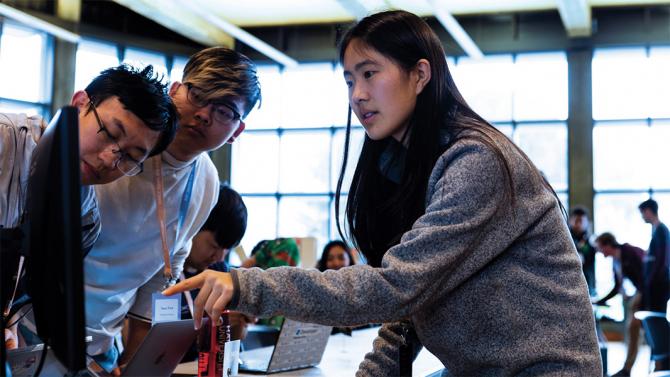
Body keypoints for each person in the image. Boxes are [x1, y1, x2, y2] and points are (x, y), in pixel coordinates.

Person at [166, 10, 601, 376]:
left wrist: (246, 285)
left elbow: (393, 287)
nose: (357, 95)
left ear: (419, 75)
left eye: (370, 74)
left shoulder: (476, 162)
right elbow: (408, 307)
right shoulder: (409, 166)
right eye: (349, 80)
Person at [83, 47, 261, 372]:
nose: (205, 114)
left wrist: (135, 364)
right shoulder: (116, 145)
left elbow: (160, 277)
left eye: (224, 111)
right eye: (198, 94)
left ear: (237, 131)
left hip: (101, 347)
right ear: (175, 90)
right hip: (29, 329)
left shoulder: (206, 181)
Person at [1, 64, 177, 349]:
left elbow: (19, 297)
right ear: (80, 103)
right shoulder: (4, 141)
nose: (110, 159)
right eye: (108, 132)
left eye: (130, 157)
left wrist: (10, 329)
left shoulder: (85, 221)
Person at [175, 184, 253, 360]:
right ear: (194, 225)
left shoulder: (220, 272)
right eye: (214, 246)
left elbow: (232, 344)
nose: (218, 256)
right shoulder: (161, 274)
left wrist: (236, 322)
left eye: (226, 250)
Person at [594, 232, 646, 376]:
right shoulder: (616, 261)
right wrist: (599, 301)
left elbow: (645, 275)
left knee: (634, 326)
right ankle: (627, 369)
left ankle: (627, 369)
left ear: (607, 245)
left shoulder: (628, 251)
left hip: (650, 290)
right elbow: (617, 287)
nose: (599, 251)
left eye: (600, 248)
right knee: (632, 328)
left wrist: (641, 302)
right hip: (640, 292)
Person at [638, 199, 670, 313]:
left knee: (657, 319)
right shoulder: (656, 230)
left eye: (642, 213)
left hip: (659, 285)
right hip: (655, 284)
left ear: (648, 211)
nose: (642, 216)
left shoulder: (661, 230)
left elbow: (663, 261)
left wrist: (652, 280)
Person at [569, 206, 597, 296]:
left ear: (587, 223)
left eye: (581, 221)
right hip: (568, 284)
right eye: (576, 221)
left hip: (587, 284)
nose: (578, 224)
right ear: (570, 221)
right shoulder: (564, 240)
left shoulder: (592, 242)